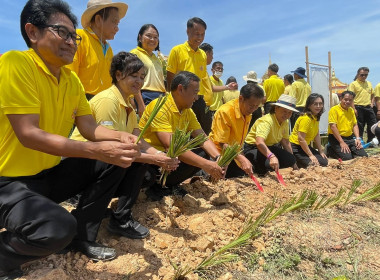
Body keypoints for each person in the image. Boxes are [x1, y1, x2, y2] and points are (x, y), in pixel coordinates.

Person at [0, 0, 141, 277]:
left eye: (73, 35)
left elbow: (90, 128)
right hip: (9, 182)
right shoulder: (15, 64)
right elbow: (29, 134)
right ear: (33, 32)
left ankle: (82, 236)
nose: (71, 42)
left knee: (114, 162)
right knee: (56, 228)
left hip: (47, 175)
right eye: (61, 32)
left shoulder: (71, 80)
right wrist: (98, 151)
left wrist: (120, 137)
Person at [71, 52, 179, 239]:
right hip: (81, 162)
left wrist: (160, 156)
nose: (139, 81)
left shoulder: (128, 103)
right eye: (133, 76)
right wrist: (155, 158)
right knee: (128, 161)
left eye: (142, 77)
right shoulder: (108, 101)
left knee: (145, 171)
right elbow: (112, 149)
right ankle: (105, 218)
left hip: (101, 160)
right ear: (119, 75)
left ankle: (109, 211)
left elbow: (138, 139)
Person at [139, 71, 224, 200]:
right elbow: (171, 145)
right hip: (152, 159)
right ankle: (155, 187)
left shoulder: (187, 111)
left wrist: (217, 158)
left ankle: (169, 184)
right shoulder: (160, 106)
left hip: (171, 159)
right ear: (180, 89)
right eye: (195, 92)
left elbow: (202, 138)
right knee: (148, 175)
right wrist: (206, 165)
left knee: (203, 153)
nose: (196, 98)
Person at [166, 17, 213, 134]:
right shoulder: (177, 50)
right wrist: (173, 98)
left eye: (202, 35)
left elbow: (201, 78)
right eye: (197, 34)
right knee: (182, 133)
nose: (200, 38)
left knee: (203, 131)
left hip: (198, 98)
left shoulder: (202, 54)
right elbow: (170, 77)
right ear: (188, 31)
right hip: (181, 99)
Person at [209, 83, 264, 178]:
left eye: (256, 106)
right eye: (251, 106)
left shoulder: (247, 113)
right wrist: (241, 159)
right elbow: (222, 143)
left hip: (233, 155)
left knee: (243, 175)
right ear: (241, 98)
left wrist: (242, 158)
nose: (253, 109)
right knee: (215, 179)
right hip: (217, 155)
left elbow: (238, 142)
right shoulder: (225, 112)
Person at [244, 94, 298, 176]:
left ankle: (266, 169)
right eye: (284, 111)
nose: (286, 115)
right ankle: (257, 170)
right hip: (253, 148)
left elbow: (285, 142)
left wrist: (294, 164)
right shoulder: (267, 121)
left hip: (270, 147)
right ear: (276, 108)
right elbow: (259, 142)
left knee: (290, 159)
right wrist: (271, 156)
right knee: (269, 164)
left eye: (289, 113)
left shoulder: (285, 122)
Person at [130, 24, 166, 106]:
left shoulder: (157, 59)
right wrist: (140, 103)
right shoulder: (135, 53)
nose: (152, 39)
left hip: (161, 97)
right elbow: (133, 81)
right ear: (140, 37)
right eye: (149, 36)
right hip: (145, 96)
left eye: (155, 37)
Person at [289, 94, 328, 168]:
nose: (318, 106)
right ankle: (295, 161)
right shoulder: (306, 118)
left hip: (305, 146)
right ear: (309, 106)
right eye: (315, 104)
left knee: (324, 161)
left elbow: (316, 134)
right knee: (313, 165)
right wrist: (311, 155)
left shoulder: (316, 117)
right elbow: (301, 139)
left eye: (320, 104)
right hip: (296, 147)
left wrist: (320, 151)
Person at [327, 91, 368, 161]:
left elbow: (355, 125)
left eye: (350, 100)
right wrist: (341, 142)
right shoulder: (334, 110)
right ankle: (330, 150)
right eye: (345, 99)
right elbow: (333, 127)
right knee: (347, 158)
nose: (348, 102)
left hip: (349, 137)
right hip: (336, 138)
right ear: (341, 99)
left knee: (364, 156)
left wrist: (358, 139)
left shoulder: (351, 110)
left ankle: (348, 150)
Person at [199, 43, 237, 114]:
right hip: (208, 110)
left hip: (218, 111)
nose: (220, 70)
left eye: (221, 69)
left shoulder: (220, 82)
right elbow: (211, 88)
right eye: (212, 54)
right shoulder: (202, 73)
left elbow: (221, 97)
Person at [348, 67, 377, 142]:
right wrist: (353, 108)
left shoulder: (369, 83)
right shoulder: (353, 84)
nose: (364, 76)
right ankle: (359, 142)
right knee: (359, 125)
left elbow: (373, 94)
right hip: (358, 107)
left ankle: (371, 141)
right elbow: (350, 97)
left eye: (366, 75)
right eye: (362, 75)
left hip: (368, 107)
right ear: (358, 74)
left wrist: (372, 103)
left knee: (373, 124)